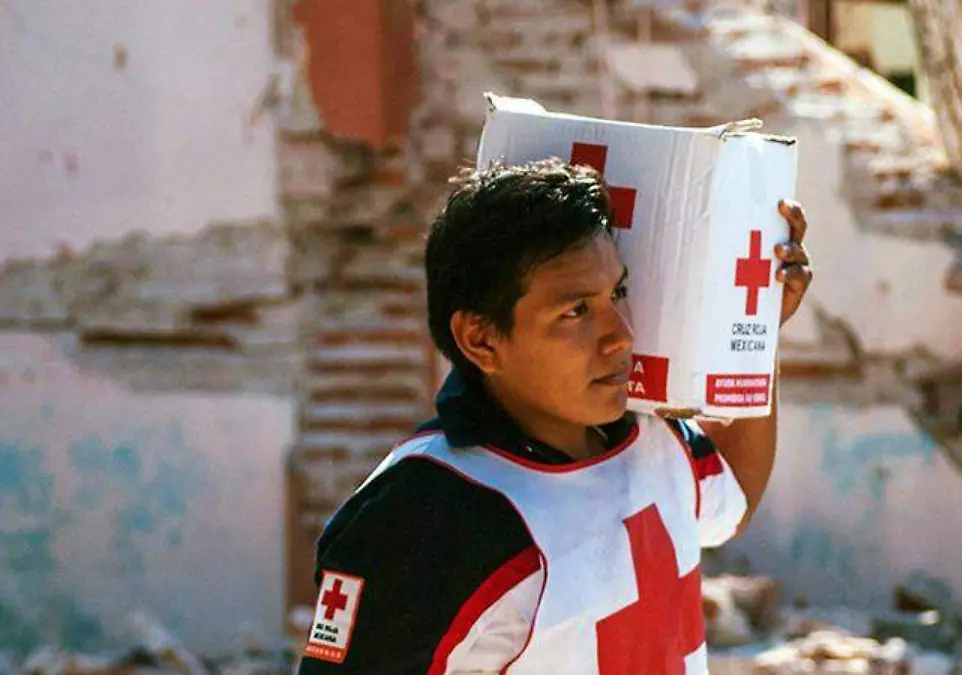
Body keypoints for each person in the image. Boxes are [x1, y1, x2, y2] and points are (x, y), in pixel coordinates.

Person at [297, 158, 813, 675]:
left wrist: (757, 330)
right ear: (480, 339)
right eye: (576, 311)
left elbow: (731, 496)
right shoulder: (427, 512)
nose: (622, 335)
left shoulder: (649, 432)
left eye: (618, 293)